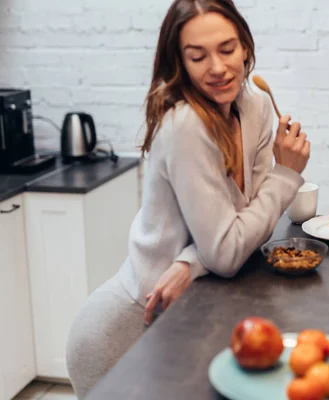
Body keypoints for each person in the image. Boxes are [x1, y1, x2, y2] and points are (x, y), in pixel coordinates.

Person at [65, 0, 310, 397]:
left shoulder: (257, 106)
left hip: (190, 310)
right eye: (198, 56)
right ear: (179, 62)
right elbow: (228, 253)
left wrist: (189, 261)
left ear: (245, 45)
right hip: (128, 329)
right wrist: (286, 175)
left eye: (227, 49)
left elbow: (247, 226)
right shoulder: (184, 125)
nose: (217, 68)